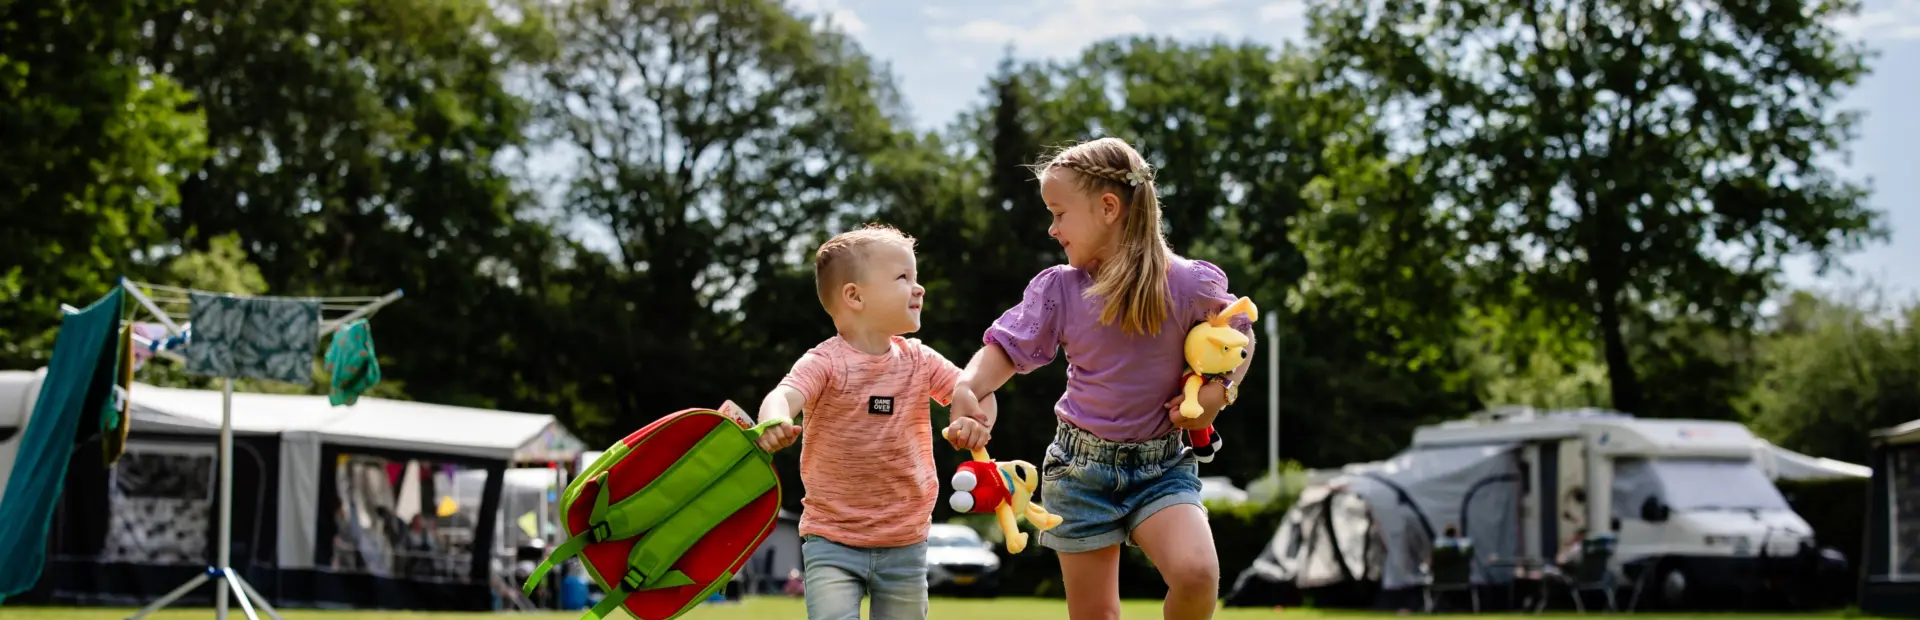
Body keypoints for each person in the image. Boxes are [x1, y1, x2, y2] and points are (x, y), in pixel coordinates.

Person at [944, 137, 1255, 620]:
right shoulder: (1061, 290)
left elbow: (1241, 333)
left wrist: (1219, 392)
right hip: (1079, 470)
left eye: (1059, 213)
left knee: (1197, 574)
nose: (1052, 228)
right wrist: (968, 387)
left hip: (1161, 468)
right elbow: (1005, 348)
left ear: (1108, 207)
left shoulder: (1189, 284)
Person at [751, 223, 997, 620]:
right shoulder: (825, 363)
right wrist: (776, 421)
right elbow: (782, 396)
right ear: (855, 296)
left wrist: (975, 420)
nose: (919, 288)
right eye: (904, 277)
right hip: (831, 539)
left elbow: (981, 390)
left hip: (906, 540)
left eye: (916, 277)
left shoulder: (920, 360)